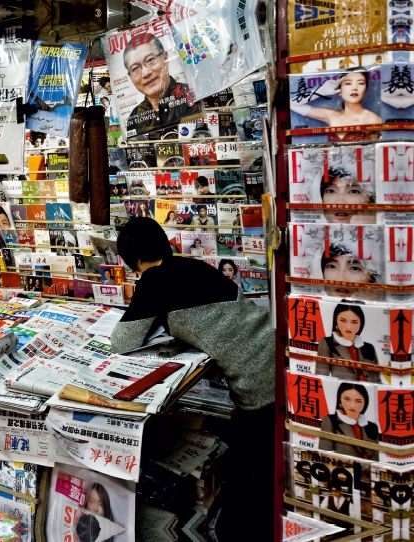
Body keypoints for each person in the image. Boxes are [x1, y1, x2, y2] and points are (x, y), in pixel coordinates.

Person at [110, 218, 274, 539]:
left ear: (136, 261)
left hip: (257, 389)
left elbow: (122, 341)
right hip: (274, 355)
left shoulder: (153, 280)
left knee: (250, 475)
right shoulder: (195, 266)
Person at [123, 33, 198, 135]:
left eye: (150, 60)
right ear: (130, 77)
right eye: (135, 68)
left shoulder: (191, 95)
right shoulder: (135, 116)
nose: (146, 73)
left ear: (165, 58)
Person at [290, 68, 380, 141]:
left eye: (360, 83)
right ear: (340, 90)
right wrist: (321, 91)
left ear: (366, 89)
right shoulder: (331, 115)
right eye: (348, 83)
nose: (354, 88)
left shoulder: (374, 119)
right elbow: (292, 104)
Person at [316, 303, 380, 382]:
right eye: (343, 320)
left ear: (361, 323)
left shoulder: (369, 347)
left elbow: (377, 380)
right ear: (336, 321)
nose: (348, 327)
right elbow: (321, 377)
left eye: (354, 322)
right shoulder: (327, 343)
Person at [319, 382, 379, 460]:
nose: (352, 405)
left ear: (365, 402)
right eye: (347, 399)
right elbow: (324, 455)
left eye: (358, 401)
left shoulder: (372, 427)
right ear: (340, 399)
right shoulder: (331, 421)